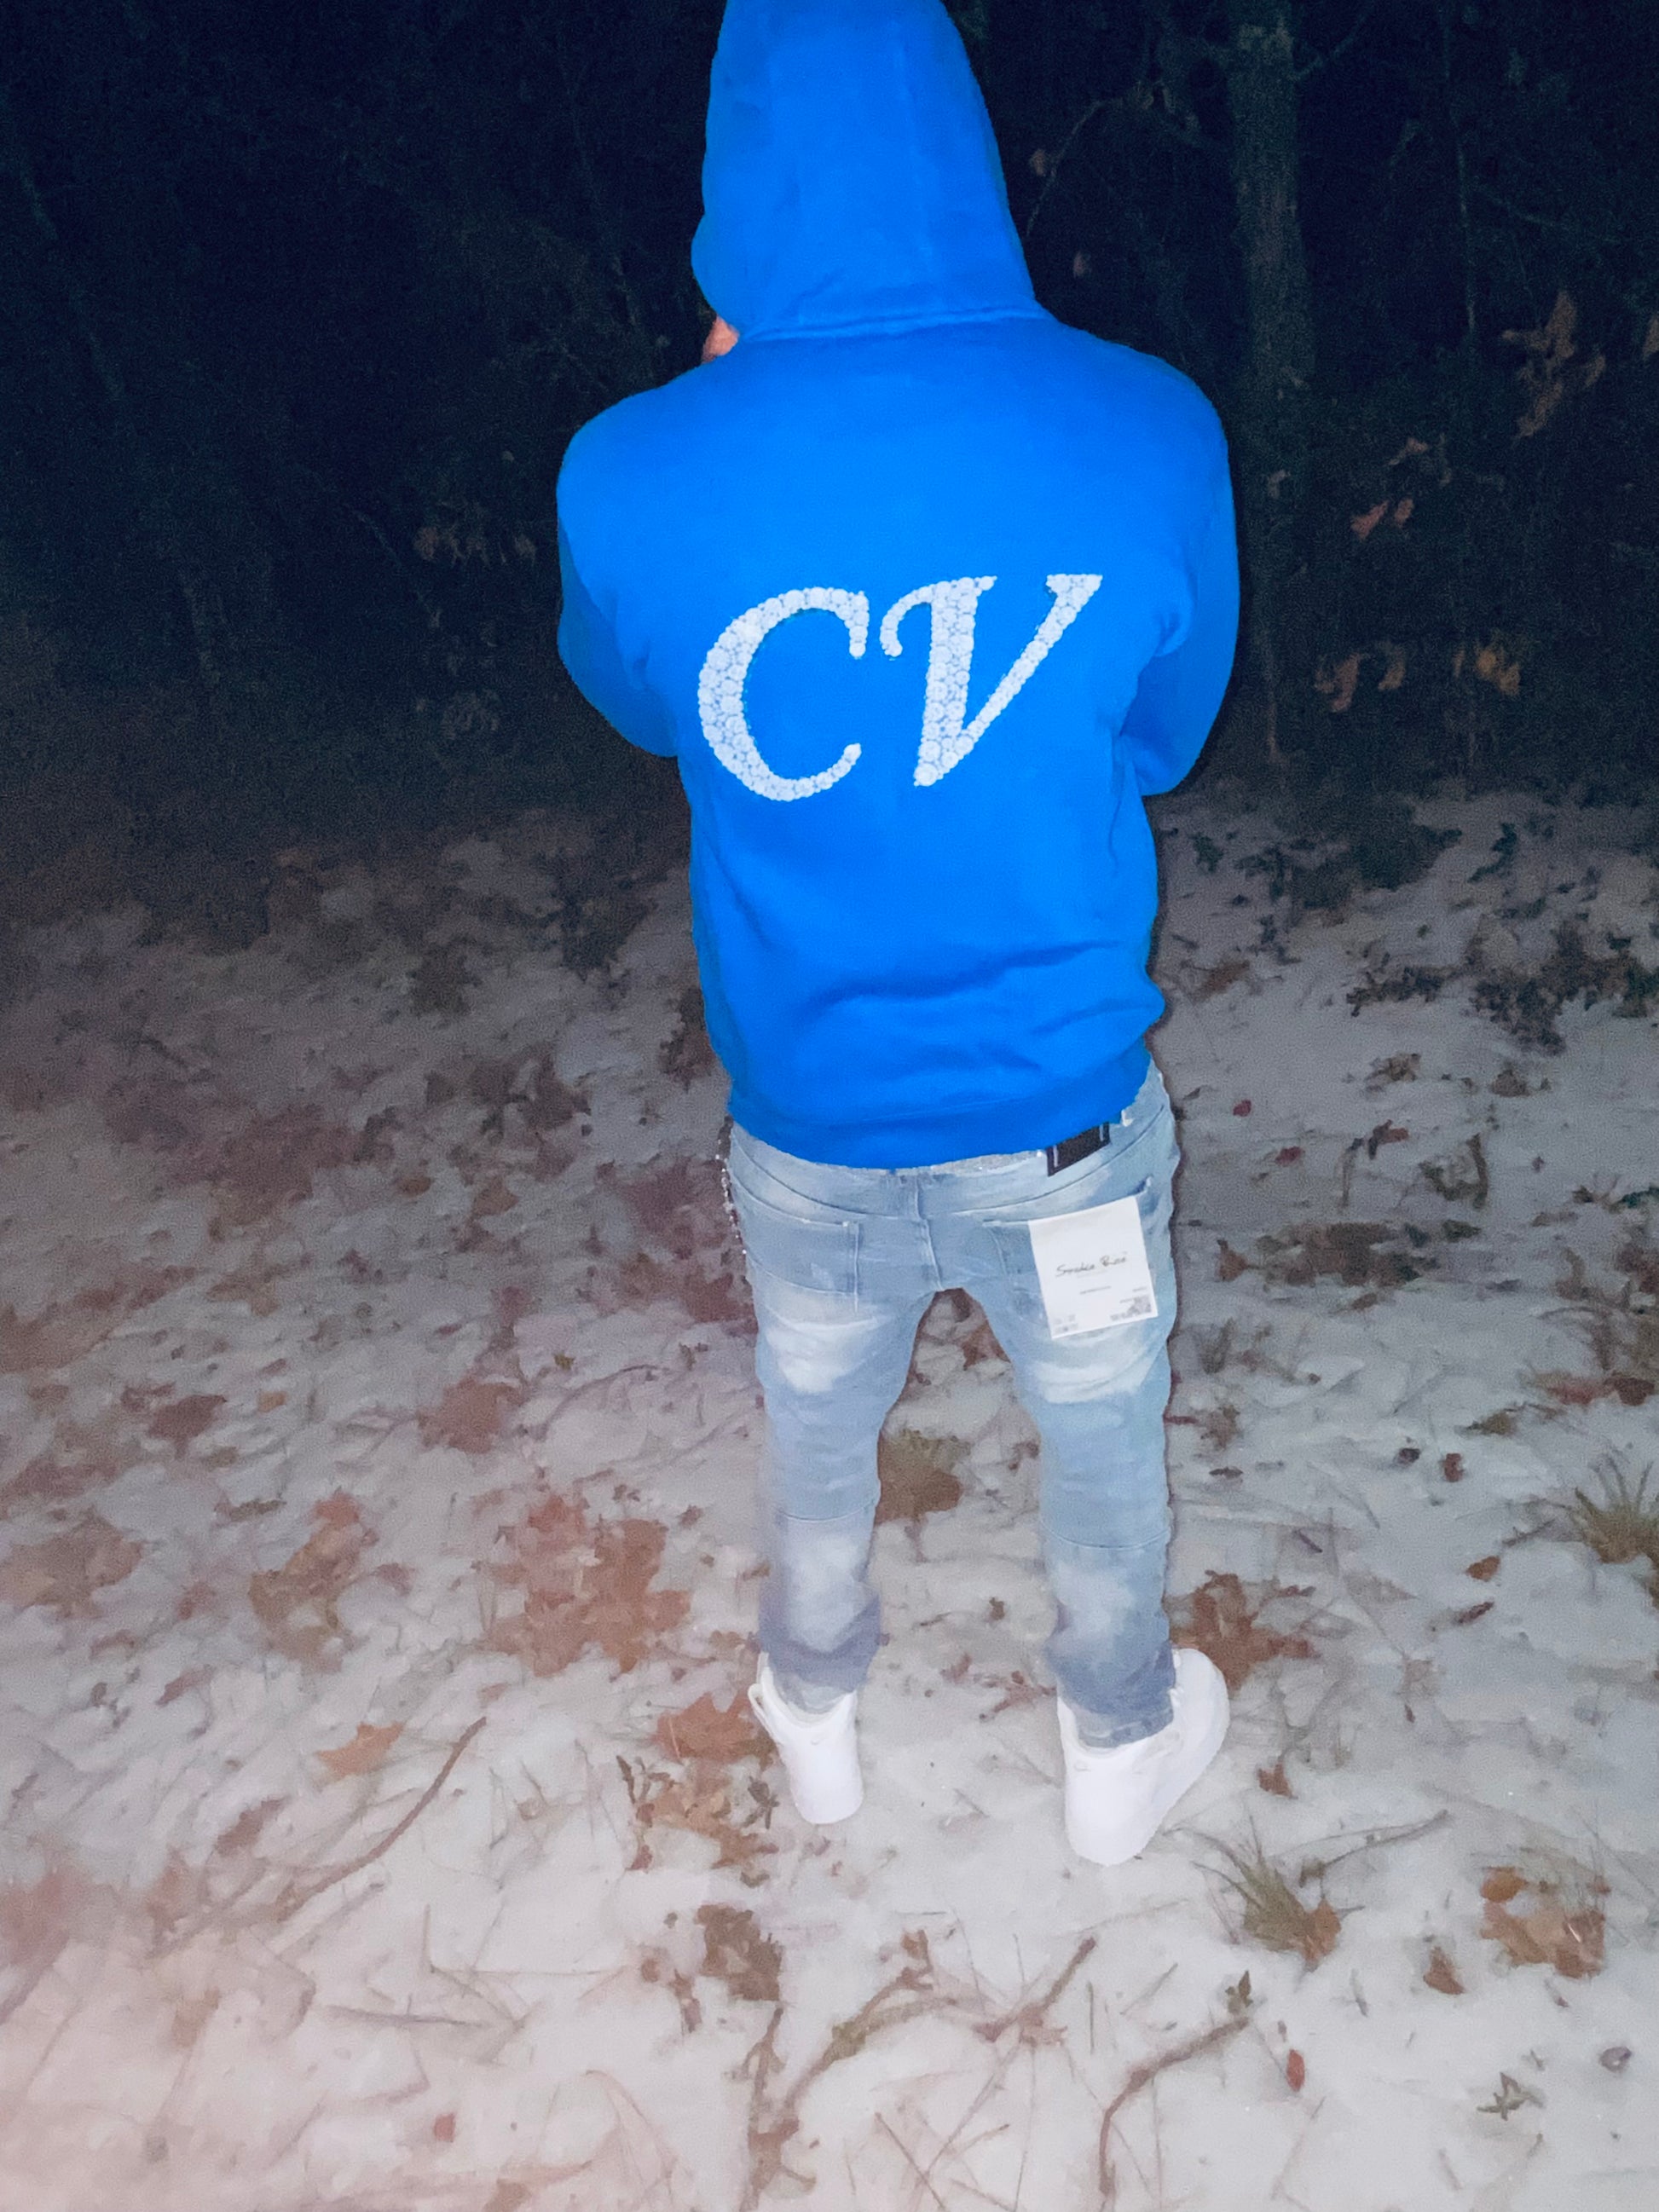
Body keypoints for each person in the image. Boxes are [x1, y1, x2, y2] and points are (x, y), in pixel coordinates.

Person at [556, 0, 1240, 1867]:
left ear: (736, 168)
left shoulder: (625, 467)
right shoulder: (1147, 423)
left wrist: (727, 390)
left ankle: (815, 1712)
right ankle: (1115, 1743)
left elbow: (642, 707)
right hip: (1063, 1118)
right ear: (961, 143)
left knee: (812, 1418)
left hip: (811, 1120)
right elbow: (1165, 732)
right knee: (1101, 1426)